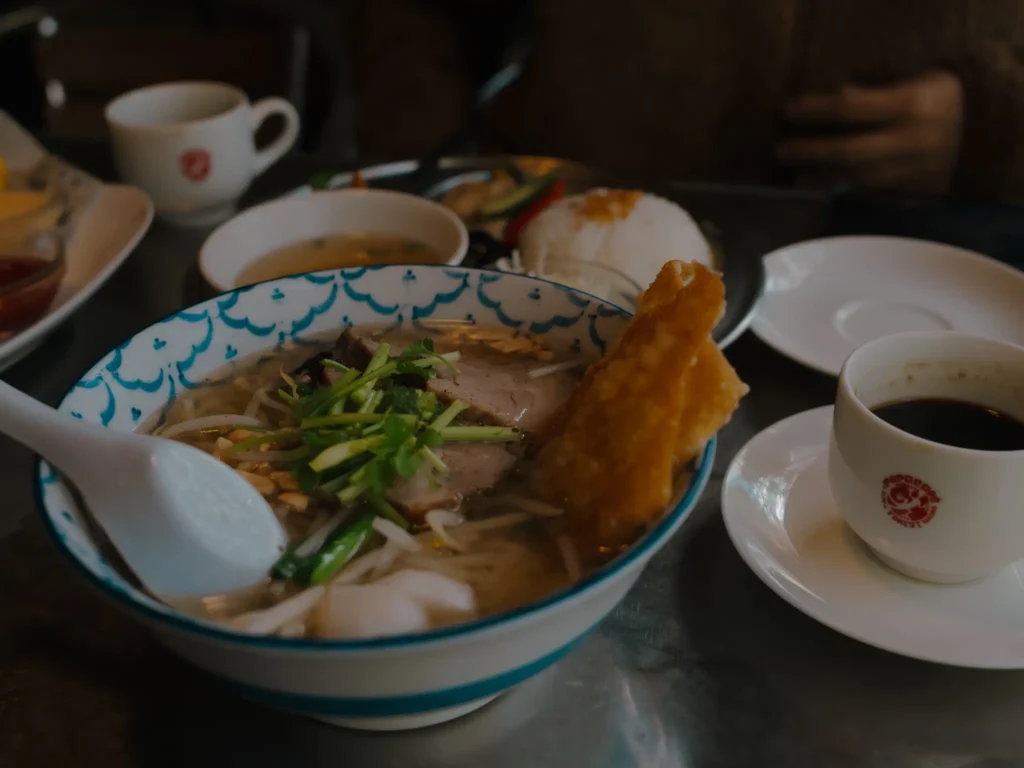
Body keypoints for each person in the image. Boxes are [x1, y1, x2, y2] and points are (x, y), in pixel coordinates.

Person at [350, 0, 1024, 202]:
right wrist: (425, 170)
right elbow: (417, 15)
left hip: (944, 236)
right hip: (564, 215)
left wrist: (999, 117)